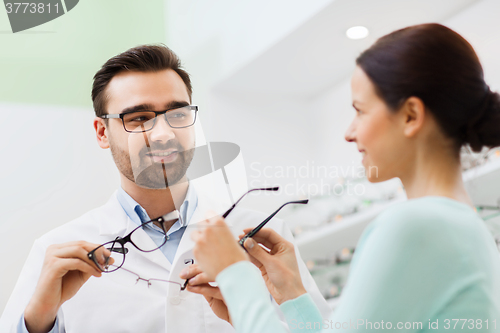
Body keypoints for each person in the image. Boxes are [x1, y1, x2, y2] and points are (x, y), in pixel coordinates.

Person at [187, 23, 500, 332]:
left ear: (411, 116)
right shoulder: (461, 224)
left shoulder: (415, 226)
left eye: (360, 111)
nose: (349, 133)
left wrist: (235, 275)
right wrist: (292, 295)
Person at [0, 45, 330, 333]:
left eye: (177, 113)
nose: (162, 133)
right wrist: (37, 322)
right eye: (139, 118)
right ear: (102, 132)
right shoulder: (55, 251)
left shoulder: (266, 238)